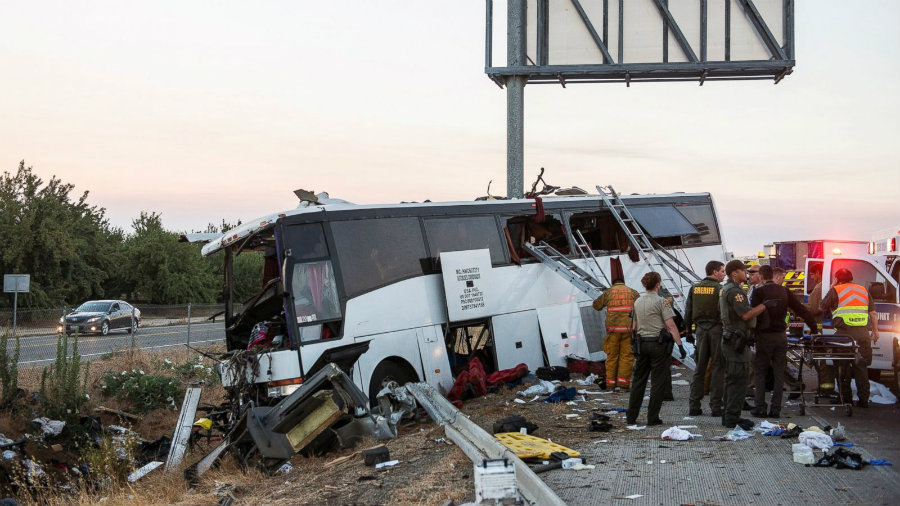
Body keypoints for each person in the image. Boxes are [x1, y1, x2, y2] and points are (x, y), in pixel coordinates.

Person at [749, 265, 818, 418]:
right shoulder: (784, 291)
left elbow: (752, 315)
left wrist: (750, 335)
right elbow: (801, 310)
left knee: (760, 372)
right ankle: (775, 409)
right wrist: (813, 328)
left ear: (761, 277)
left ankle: (760, 407)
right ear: (773, 275)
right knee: (779, 372)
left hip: (764, 336)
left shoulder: (758, 292)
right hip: (781, 337)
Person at [626, 272, 686, 426]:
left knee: (638, 381)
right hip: (658, 346)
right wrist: (680, 345)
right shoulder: (662, 302)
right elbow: (671, 326)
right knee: (658, 382)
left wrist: (634, 344)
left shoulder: (637, 302)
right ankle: (652, 417)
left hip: (641, 344)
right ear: (658, 284)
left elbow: (633, 327)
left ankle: (631, 417)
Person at [719, 260, 770, 429]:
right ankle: (732, 417)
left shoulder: (727, 289)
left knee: (732, 379)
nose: (746, 274)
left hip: (732, 339)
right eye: (743, 271)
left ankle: (729, 415)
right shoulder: (734, 291)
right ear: (734, 273)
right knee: (738, 379)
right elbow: (746, 315)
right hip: (735, 340)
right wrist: (763, 306)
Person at [820, 268, 880, 407]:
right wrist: (875, 331)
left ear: (837, 279)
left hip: (844, 336)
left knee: (842, 367)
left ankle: (845, 398)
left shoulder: (836, 290)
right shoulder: (863, 290)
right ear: (851, 278)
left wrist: (831, 287)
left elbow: (822, 306)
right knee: (861, 367)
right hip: (863, 334)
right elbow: (873, 313)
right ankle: (864, 400)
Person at [685, 260, 726, 417]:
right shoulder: (720, 289)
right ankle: (716, 407)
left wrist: (688, 331)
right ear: (714, 272)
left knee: (699, 368)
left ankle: (694, 406)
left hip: (700, 331)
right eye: (722, 271)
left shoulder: (695, 288)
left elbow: (688, 310)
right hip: (716, 330)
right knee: (717, 368)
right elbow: (723, 312)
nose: (724, 274)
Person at [593, 277, 640, 391]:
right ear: (623, 282)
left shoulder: (608, 293)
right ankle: (623, 385)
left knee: (612, 357)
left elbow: (596, 306)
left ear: (613, 283)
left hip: (613, 331)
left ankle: (610, 384)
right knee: (627, 357)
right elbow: (640, 306)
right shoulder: (633, 292)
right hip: (629, 331)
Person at [804, 263, 835, 395]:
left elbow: (814, 309)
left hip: (819, 329)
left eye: (812, 274)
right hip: (822, 328)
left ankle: (825, 388)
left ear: (818, 273)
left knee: (821, 359)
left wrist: (800, 307)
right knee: (822, 359)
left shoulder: (819, 288)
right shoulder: (825, 287)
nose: (812, 277)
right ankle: (825, 386)